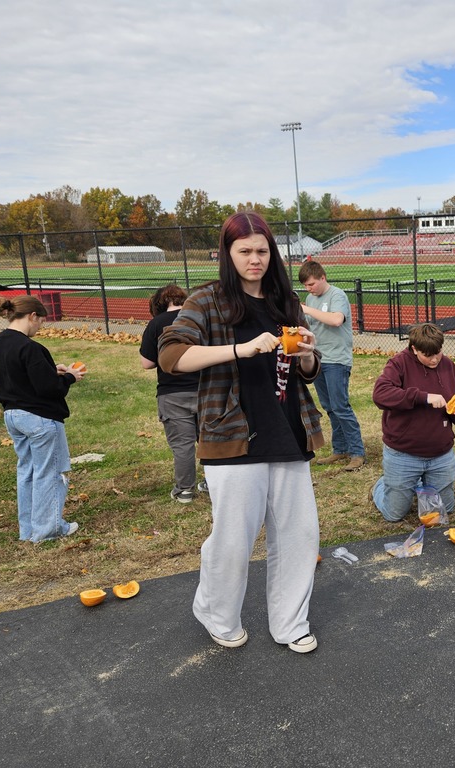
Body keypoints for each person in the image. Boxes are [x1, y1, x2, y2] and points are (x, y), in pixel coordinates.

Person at [158, 211, 324, 654]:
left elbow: (306, 370)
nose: (255, 259)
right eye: (245, 251)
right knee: (234, 538)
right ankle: (217, 613)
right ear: (227, 254)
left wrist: (308, 354)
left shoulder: (283, 299)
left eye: (262, 251)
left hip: (287, 431)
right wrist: (240, 349)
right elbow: (171, 356)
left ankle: (290, 622)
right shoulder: (207, 300)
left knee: (299, 534)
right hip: (231, 435)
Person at [0, 295, 85, 542]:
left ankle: (29, 529)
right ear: (32, 316)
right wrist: (69, 377)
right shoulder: (29, 347)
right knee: (50, 472)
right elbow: (49, 389)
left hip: (13, 415)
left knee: (28, 472)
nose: (40, 326)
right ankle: (49, 529)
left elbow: (21, 376)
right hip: (40, 418)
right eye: (41, 320)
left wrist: (53, 371)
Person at [371, 323, 455, 522]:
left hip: (440, 454)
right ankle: (382, 485)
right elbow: (380, 394)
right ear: (414, 349)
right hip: (404, 453)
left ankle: (418, 483)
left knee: (445, 510)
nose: (434, 359)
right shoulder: (398, 364)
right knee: (394, 514)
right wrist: (422, 397)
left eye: (438, 353)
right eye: (427, 355)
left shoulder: (448, 366)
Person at [139, 284, 206, 503]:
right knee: (210, 441)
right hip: (205, 388)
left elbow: (147, 363)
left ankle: (185, 489)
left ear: (158, 304)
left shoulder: (156, 324)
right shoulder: (199, 318)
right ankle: (214, 482)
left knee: (183, 445)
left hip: (172, 393)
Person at [297, 261, 365, 471]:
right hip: (318, 358)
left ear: (323, 278)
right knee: (329, 407)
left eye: (312, 284)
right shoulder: (310, 298)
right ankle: (340, 448)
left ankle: (357, 452)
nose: (309, 289)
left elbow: (336, 320)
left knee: (340, 406)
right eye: (306, 286)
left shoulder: (337, 295)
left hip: (336, 359)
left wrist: (307, 309)